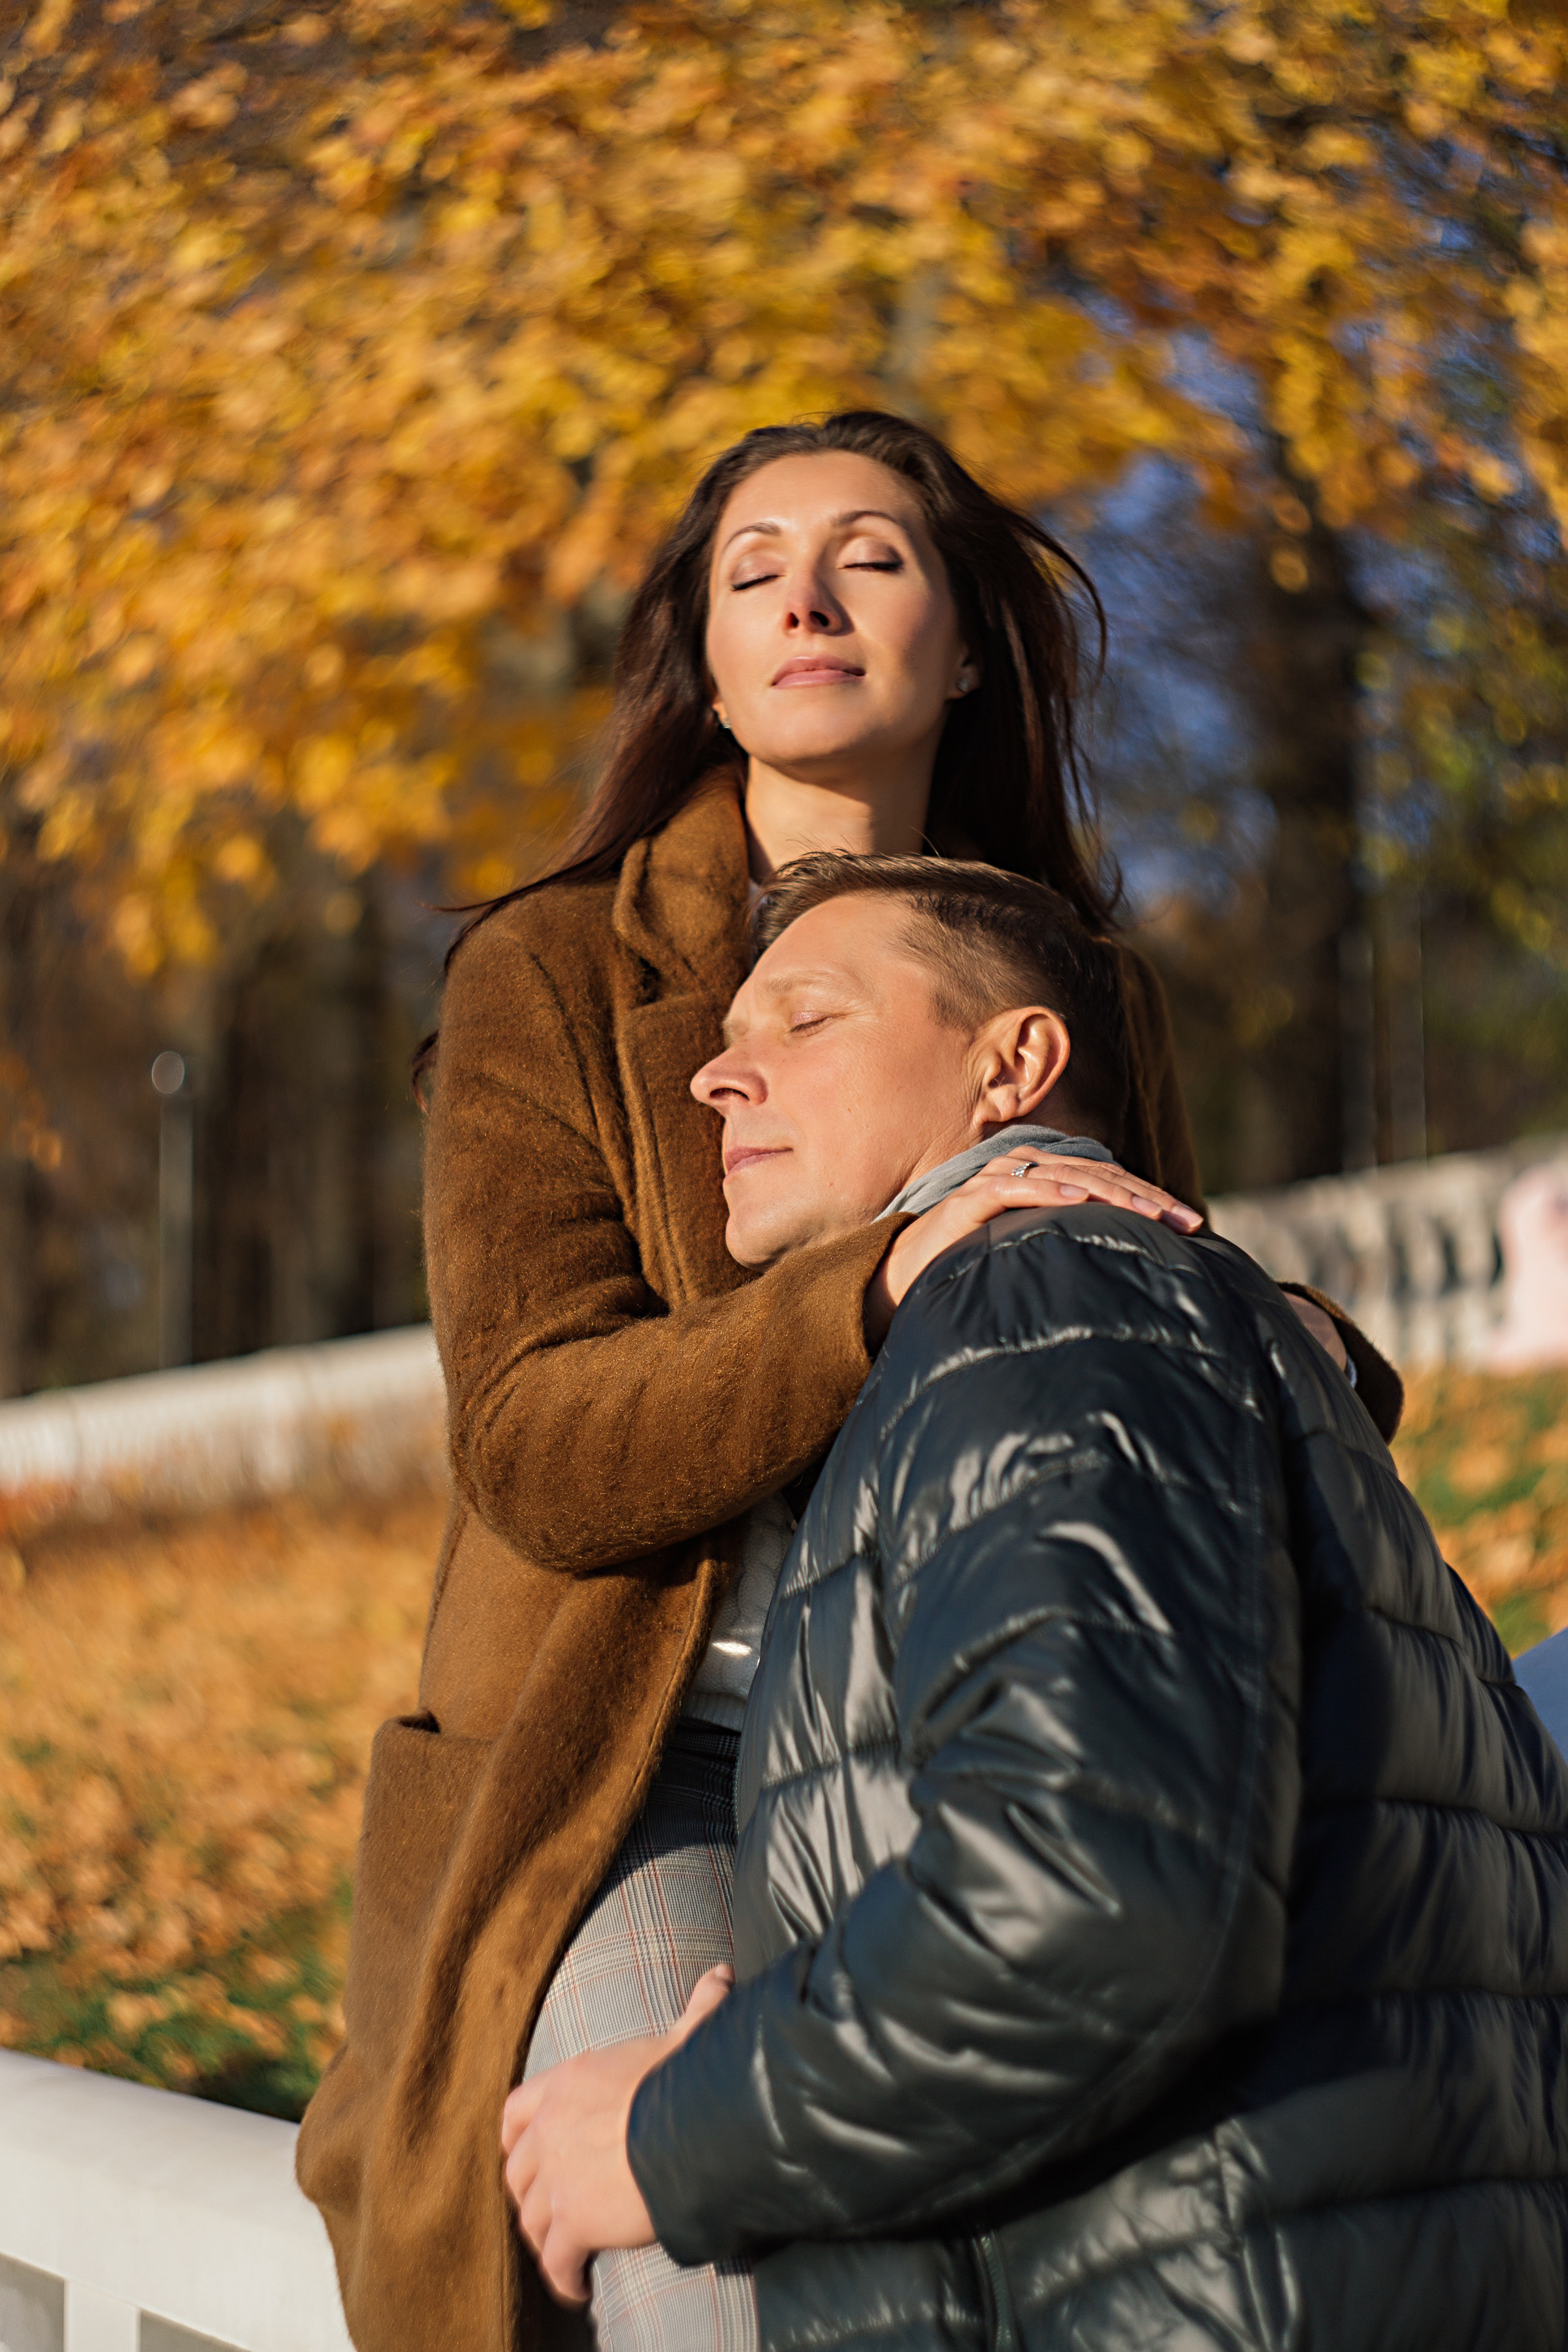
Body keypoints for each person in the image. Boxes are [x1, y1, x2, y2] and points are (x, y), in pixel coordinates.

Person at [296, 413, 1388, 2352]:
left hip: (976, 1725)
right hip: (643, 1776)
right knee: (712, 2258)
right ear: (708, 671)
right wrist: (873, 1285)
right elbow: (539, 1444)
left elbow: (1120, 1344)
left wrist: (1291, 1334)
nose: (807, 596)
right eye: (754, 570)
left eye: (871, 557)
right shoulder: (551, 972)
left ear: (962, 648)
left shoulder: (1072, 981)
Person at [502, 853, 1568, 2352]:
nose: (717, 1080)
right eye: (730, 1037)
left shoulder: (1039, 1301)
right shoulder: (1098, 1322)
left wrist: (671, 2128)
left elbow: (1096, 1903)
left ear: (1013, 1067)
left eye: (804, 1019)